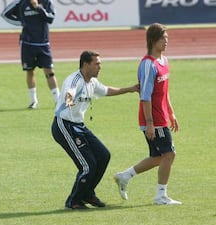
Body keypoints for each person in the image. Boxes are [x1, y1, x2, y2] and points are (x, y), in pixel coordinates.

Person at [52, 50, 139, 209]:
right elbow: (69, 94)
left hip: (79, 125)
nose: (100, 67)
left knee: (103, 155)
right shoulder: (74, 80)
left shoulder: (92, 82)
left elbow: (106, 90)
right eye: (97, 64)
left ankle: (88, 194)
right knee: (88, 165)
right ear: (85, 64)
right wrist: (69, 101)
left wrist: (130, 89)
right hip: (64, 125)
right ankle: (73, 201)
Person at [114, 23, 182, 205]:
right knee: (169, 154)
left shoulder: (164, 61)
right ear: (153, 40)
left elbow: (164, 92)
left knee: (158, 157)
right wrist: (150, 123)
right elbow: (145, 96)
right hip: (154, 120)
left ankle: (124, 176)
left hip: (162, 117)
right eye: (163, 38)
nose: (166, 42)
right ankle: (161, 196)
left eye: (167, 38)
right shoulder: (147, 65)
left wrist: (172, 113)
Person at [2, 0, 60, 109]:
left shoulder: (47, 2)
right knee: (30, 72)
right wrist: (23, 22)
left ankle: (58, 100)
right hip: (28, 44)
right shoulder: (21, 3)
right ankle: (34, 101)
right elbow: (5, 14)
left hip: (44, 43)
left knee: (50, 72)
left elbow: (50, 18)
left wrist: (37, 7)